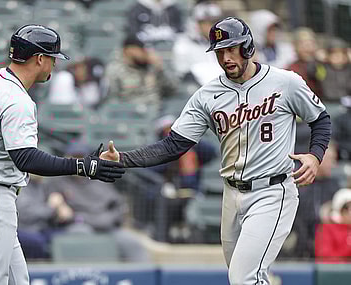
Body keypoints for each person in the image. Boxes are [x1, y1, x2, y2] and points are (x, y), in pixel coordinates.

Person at [100, 17, 331, 284]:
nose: (226, 58)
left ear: (248, 47)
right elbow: (173, 146)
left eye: (232, 49)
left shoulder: (285, 82)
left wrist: (315, 155)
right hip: (231, 195)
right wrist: (124, 159)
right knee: (248, 277)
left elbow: (321, 119)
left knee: (244, 277)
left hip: (272, 190)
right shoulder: (207, 95)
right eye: (220, 52)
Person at [0, 24, 125, 285]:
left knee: (18, 281)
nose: (54, 65)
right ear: (39, 59)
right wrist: (82, 166)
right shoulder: (18, 101)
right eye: (52, 59)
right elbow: (25, 158)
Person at [48, 142, 150, 262]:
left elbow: (119, 206)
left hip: (107, 227)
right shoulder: (58, 181)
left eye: (81, 157)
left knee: (133, 244)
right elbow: (56, 210)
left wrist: (109, 219)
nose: (78, 160)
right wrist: (62, 208)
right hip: (80, 225)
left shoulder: (99, 178)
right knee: (82, 236)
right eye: (74, 157)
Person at [102, 35, 177, 110]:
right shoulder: (115, 69)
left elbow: (171, 91)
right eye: (140, 48)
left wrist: (160, 69)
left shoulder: (151, 66)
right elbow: (112, 99)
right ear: (129, 50)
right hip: (130, 114)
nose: (144, 52)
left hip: (157, 111)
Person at [292, 144, 340, 258]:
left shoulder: (334, 186)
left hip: (325, 243)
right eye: (331, 160)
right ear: (320, 159)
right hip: (298, 242)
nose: (334, 165)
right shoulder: (299, 181)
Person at [172, 1, 224, 85]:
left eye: (215, 21)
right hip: (196, 89)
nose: (213, 26)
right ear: (197, 23)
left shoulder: (227, 42)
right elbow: (183, 74)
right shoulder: (183, 43)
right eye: (207, 22)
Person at [315, 188, 351, 263]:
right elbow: (326, 258)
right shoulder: (327, 229)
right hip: (337, 273)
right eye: (348, 208)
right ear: (340, 210)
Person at [287, 27, 324, 99]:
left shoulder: (322, 64)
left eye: (311, 44)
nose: (307, 48)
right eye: (303, 44)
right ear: (295, 47)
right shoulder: (291, 69)